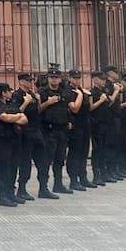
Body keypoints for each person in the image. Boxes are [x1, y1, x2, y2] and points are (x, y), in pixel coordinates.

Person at [0, 82, 26, 207]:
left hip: (14, 139)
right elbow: (5, 118)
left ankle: (10, 193)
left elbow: (24, 119)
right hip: (1, 140)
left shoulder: (11, 104)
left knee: (13, 167)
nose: (11, 93)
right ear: (3, 93)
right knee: (3, 168)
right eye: (8, 91)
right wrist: (17, 116)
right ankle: (2, 195)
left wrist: (14, 116)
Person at [38, 65, 72, 196]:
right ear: (48, 78)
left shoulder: (64, 91)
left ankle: (58, 184)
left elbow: (67, 108)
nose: (54, 79)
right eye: (52, 77)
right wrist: (48, 102)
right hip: (48, 129)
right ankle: (43, 188)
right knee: (46, 160)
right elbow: (38, 109)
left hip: (62, 129)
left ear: (60, 79)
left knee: (60, 159)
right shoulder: (42, 92)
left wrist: (69, 121)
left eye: (56, 77)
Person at [65, 70, 93, 191]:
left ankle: (83, 177)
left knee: (83, 152)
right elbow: (74, 109)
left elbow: (89, 107)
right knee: (74, 153)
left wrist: (86, 94)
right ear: (69, 78)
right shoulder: (68, 91)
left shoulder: (80, 90)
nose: (77, 80)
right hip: (75, 126)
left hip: (84, 125)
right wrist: (81, 95)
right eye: (74, 78)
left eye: (78, 78)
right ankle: (73, 180)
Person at [88, 71, 112, 187]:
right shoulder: (92, 92)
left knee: (104, 149)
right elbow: (90, 108)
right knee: (97, 150)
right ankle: (96, 175)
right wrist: (101, 100)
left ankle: (103, 173)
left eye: (104, 79)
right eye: (101, 79)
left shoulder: (104, 91)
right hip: (96, 124)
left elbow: (109, 104)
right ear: (95, 79)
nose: (104, 81)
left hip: (105, 123)